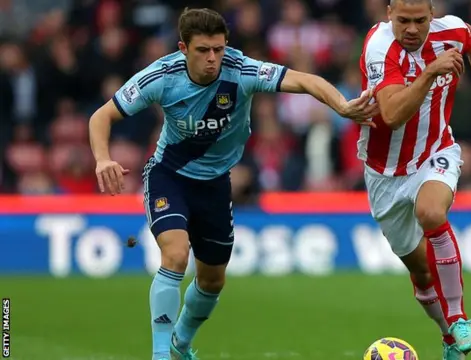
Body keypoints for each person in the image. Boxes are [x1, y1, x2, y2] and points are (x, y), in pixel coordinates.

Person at [88, 8, 377, 360]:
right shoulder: (161, 76)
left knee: (212, 281)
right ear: (183, 48)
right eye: (202, 50)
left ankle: (180, 343)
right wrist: (103, 158)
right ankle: (160, 354)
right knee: (176, 255)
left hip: (215, 184)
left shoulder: (242, 71)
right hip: (169, 176)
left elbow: (305, 80)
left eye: (218, 49)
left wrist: (343, 106)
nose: (213, 58)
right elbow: (102, 116)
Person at [358, 0, 471, 359]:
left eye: (420, 20)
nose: (411, 29)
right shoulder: (379, 46)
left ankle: (459, 318)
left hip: (435, 150)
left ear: (432, 14)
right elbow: (391, 114)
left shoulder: (451, 30)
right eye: (403, 20)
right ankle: (449, 337)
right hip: (384, 172)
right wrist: (429, 72)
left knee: (432, 213)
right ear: (389, 13)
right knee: (421, 274)